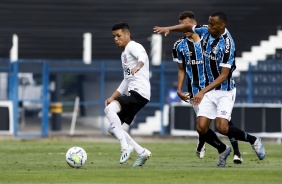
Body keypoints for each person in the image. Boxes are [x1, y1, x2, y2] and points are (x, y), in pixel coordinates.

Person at [154, 11, 265, 166]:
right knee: (201, 127)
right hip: (207, 89)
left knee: (222, 127)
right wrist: (168, 29)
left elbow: (223, 76)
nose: (209, 26)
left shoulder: (227, 45)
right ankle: (222, 150)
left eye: (212, 24)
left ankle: (253, 140)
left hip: (224, 90)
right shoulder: (205, 30)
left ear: (222, 26)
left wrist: (201, 91)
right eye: (209, 22)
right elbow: (188, 26)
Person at [173, 11, 243, 164]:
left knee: (225, 122)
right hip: (194, 91)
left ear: (192, 24)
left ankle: (236, 152)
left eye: (185, 25)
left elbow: (223, 66)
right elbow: (181, 69)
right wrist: (179, 89)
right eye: (181, 26)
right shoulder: (179, 46)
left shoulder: (206, 39)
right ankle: (209, 144)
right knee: (202, 126)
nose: (183, 29)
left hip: (213, 89)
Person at [105, 22, 152, 167]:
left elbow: (142, 56)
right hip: (137, 94)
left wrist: (138, 66)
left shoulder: (133, 46)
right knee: (113, 128)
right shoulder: (124, 54)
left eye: (119, 35)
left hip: (139, 92)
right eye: (114, 36)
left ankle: (125, 147)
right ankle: (141, 151)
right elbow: (126, 79)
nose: (116, 39)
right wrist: (113, 96)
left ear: (127, 34)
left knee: (109, 110)